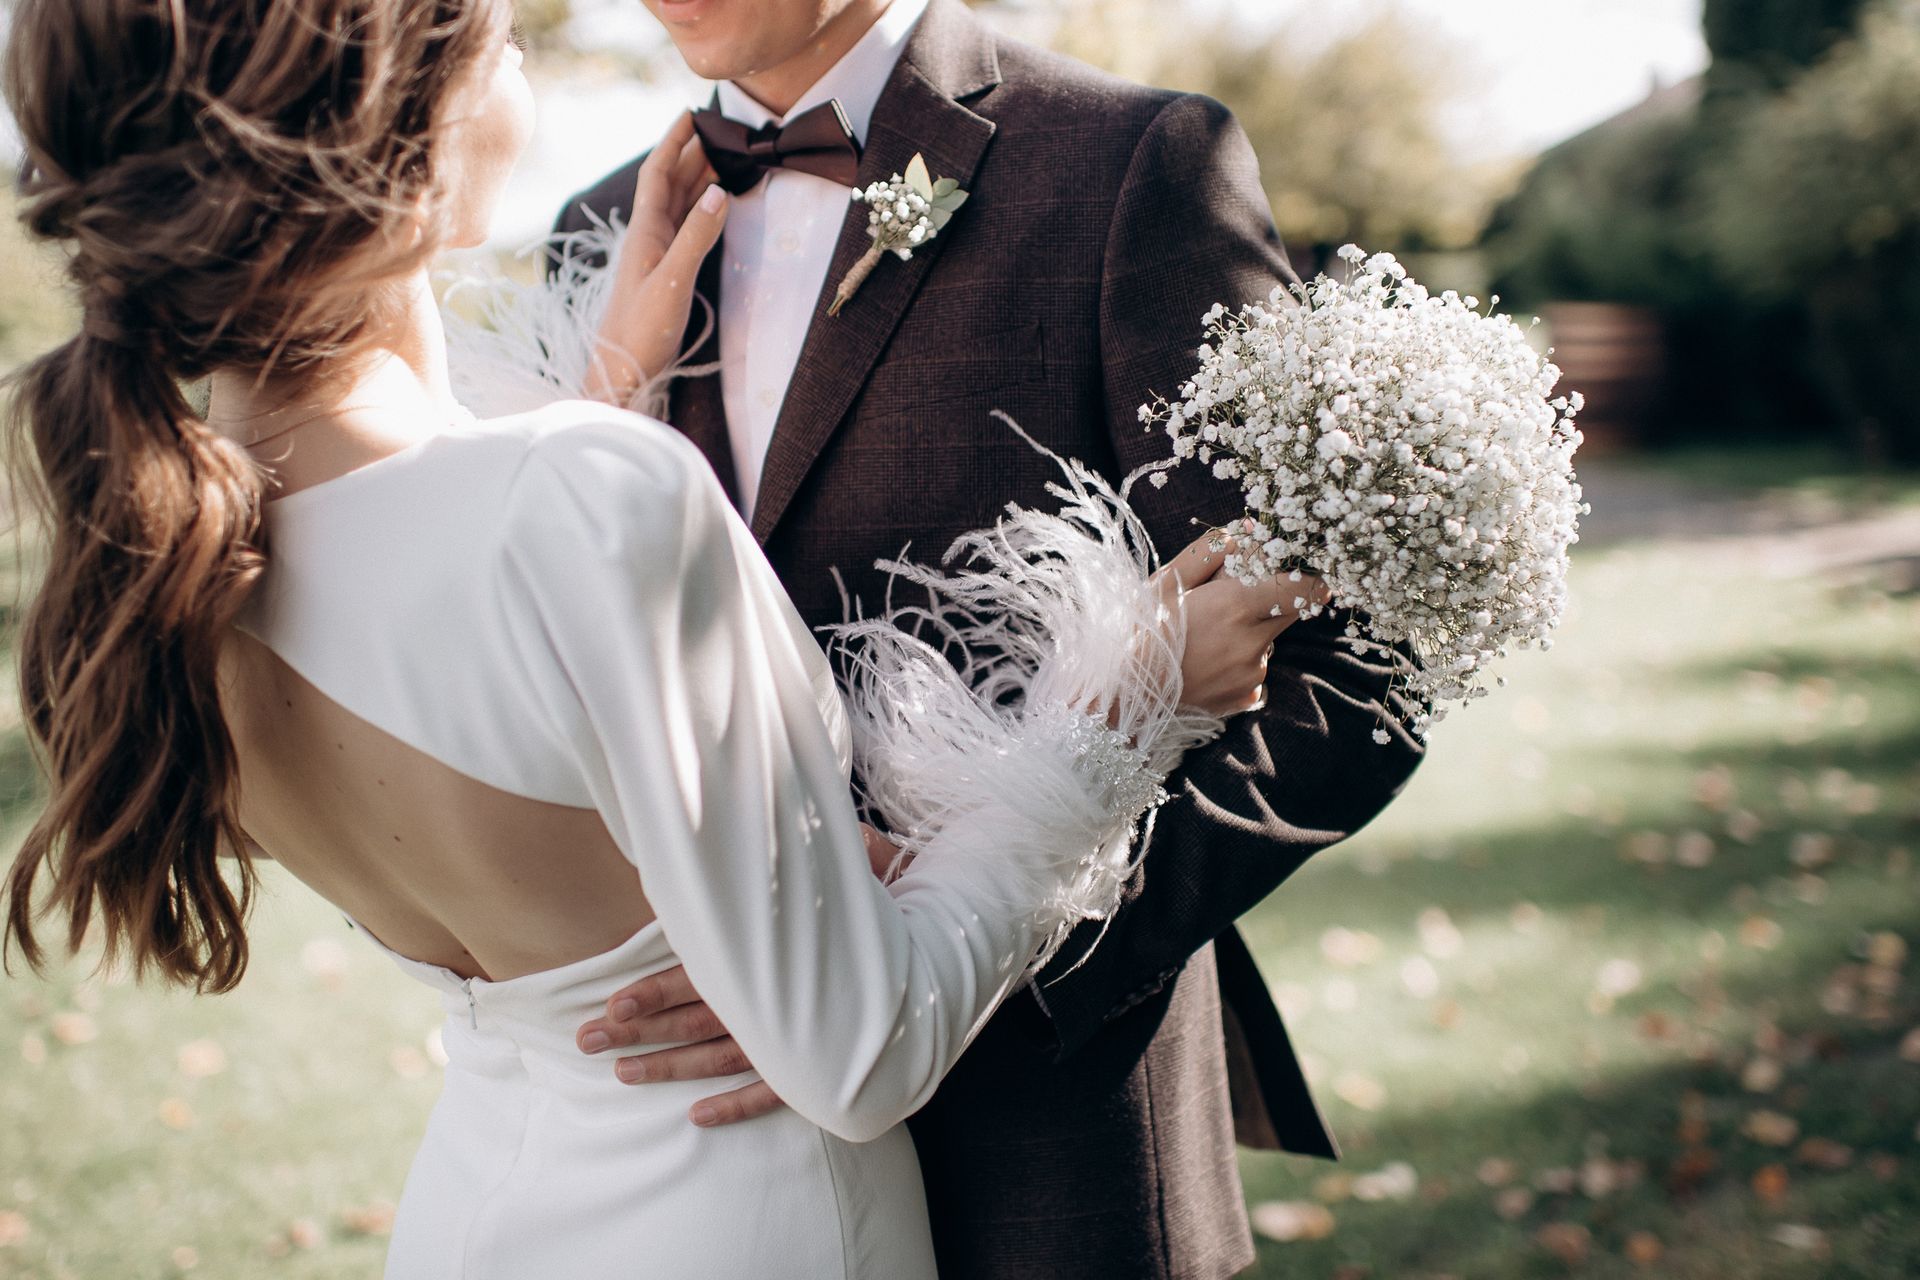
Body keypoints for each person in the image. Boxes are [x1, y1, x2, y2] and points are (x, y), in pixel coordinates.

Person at [0, 1, 1316, 1277]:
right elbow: (854, 1051)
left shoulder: (165, 550)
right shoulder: (584, 495)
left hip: (485, 1211)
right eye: (502, 38)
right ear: (410, 130)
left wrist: (611, 396)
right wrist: (1122, 698)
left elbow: (483, 638)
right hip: (756, 1219)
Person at [555, 1, 1427, 1275]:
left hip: (1046, 1155)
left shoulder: (1133, 164)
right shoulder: (592, 227)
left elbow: (1346, 672)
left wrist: (946, 960)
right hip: (690, 1170)